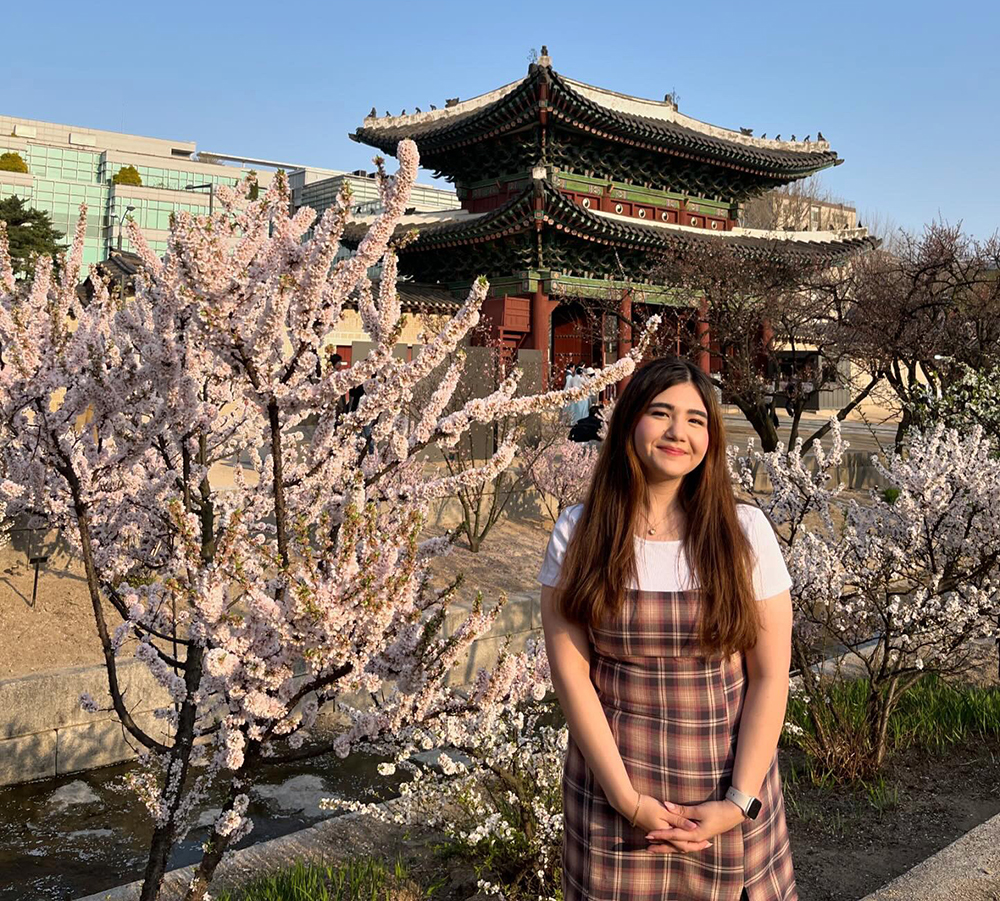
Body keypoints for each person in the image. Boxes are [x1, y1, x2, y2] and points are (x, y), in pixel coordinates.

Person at [538, 356, 797, 901]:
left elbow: (771, 677)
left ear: (712, 437)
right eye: (661, 413)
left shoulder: (743, 532)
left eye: (696, 420)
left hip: (729, 790)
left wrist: (737, 802)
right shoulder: (579, 532)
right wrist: (628, 801)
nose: (679, 432)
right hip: (614, 795)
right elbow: (572, 677)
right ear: (630, 421)